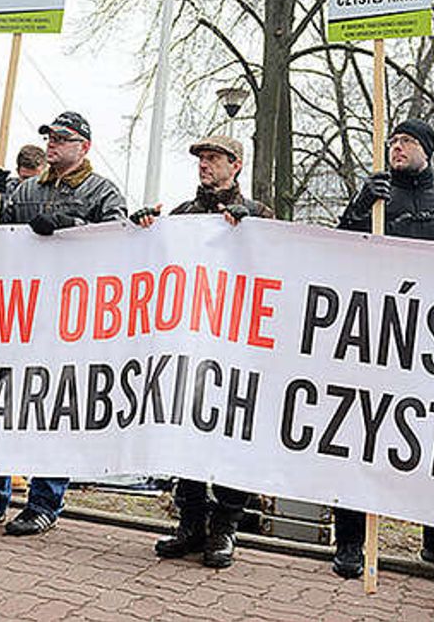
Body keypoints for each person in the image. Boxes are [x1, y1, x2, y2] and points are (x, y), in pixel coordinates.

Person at [0, 111, 127, 537]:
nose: (52, 143)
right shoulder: (24, 190)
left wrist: (72, 227)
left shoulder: (102, 192)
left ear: (84, 147)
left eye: (62, 138)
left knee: (55, 410)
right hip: (20, 315)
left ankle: (45, 503)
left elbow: (119, 243)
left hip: (71, 320)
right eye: (49, 136)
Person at [331, 118, 434, 579]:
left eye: (406, 141)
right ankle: (350, 540)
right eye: (392, 141)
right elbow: (337, 251)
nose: (396, 147)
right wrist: (358, 208)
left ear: (428, 149)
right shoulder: (374, 200)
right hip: (377, 334)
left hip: (432, 341)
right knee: (361, 436)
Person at [132, 134, 273, 568]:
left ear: (236, 164)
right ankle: (191, 524)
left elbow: (277, 263)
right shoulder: (183, 216)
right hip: (188, 343)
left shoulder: (259, 214)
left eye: (213, 158)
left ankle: (224, 527)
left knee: (229, 436)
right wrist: (143, 230)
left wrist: (254, 227)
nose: (204, 164)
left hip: (234, 345)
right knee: (184, 433)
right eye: (201, 158)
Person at [0, 143, 46, 227]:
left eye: (34, 179)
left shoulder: (52, 193)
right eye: (25, 178)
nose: (29, 184)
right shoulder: (5, 192)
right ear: (18, 171)